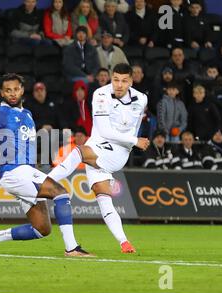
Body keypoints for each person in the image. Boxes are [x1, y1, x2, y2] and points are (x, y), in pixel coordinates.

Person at [0, 73, 93, 257]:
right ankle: (72, 248)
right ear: (2, 93)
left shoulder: (27, 114)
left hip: (26, 172)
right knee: (61, 193)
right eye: (8, 90)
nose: (12, 93)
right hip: (14, 172)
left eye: (16, 89)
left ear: (22, 90)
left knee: (42, 228)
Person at [48, 64, 150, 253]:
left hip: (118, 152)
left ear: (131, 81)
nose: (119, 85)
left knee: (80, 151)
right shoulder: (100, 94)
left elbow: (134, 126)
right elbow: (104, 131)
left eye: (124, 80)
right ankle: (124, 242)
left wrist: (130, 143)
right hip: (99, 143)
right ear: (111, 78)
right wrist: (135, 141)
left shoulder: (141, 99)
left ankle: (45, 182)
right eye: (116, 79)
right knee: (103, 197)